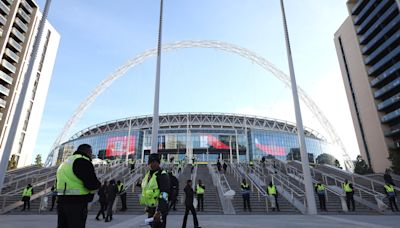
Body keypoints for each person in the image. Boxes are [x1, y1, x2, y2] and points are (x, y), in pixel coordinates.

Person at [56, 144, 101, 228]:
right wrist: (98, 185)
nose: (91, 155)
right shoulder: (82, 161)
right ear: (87, 152)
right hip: (77, 202)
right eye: (91, 152)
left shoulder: (66, 162)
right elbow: (91, 184)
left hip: (62, 201)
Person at [140, 153, 170, 228]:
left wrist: (159, 211)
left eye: (154, 162)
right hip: (151, 209)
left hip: (159, 210)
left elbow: (164, 193)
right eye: (150, 162)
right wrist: (147, 205)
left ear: (158, 163)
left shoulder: (162, 175)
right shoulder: (148, 175)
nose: (152, 164)